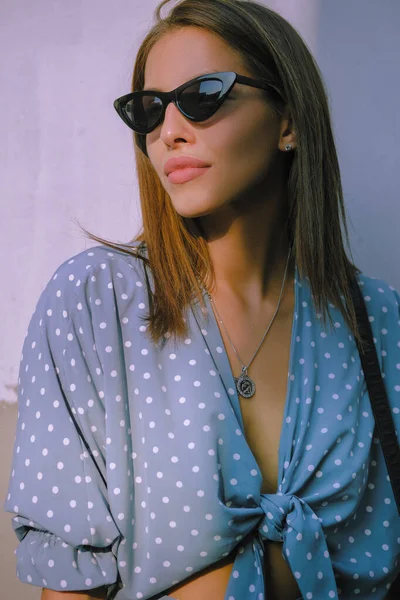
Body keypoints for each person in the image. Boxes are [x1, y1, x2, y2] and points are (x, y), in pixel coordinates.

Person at [3, 0, 400, 599]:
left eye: (204, 95)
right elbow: (68, 585)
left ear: (288, 120)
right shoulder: (94, 303)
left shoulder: (379, 320)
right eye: (149, 109)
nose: (170, 131)